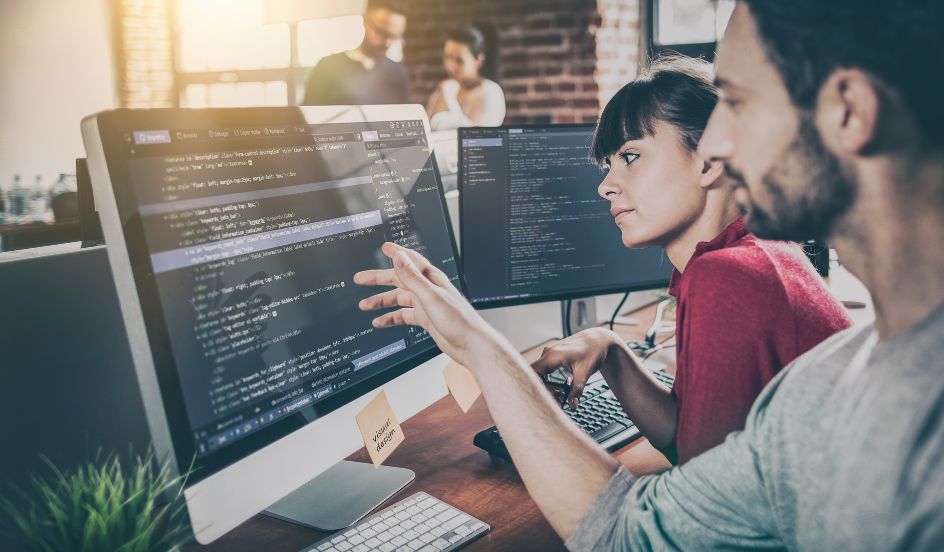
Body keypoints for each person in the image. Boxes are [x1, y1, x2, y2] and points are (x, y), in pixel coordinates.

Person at [354, 0, 944, 549]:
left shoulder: (739, 283)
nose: (717, 140)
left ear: (850, 111)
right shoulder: (831, 376)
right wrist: (611, 349)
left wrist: (484, 350)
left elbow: (633, 534)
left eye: (736, 101)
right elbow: (668, 495)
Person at [535, 56, 850, 465]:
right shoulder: (753, 252)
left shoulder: (727, 276)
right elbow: (684, 441)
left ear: (710, 160)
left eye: (630, 157)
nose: (605, 187)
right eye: (606, 165)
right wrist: (610, 349)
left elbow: (698, 489)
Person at [302, 0, 410, 106]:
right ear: (366, 22)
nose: (388, 43)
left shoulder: (398, 73)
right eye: (382, 33)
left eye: (395, 37)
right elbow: (306, 119)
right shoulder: (328, 66)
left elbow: (405, 117)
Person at [426, 24, 506, 129]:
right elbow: (426, 130)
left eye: (459, 60)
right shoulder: (444, 89)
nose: (451, 67)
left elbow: (478, 138)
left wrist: (449, 98)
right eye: (448, 57)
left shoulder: (491, 92)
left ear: (478, 61)